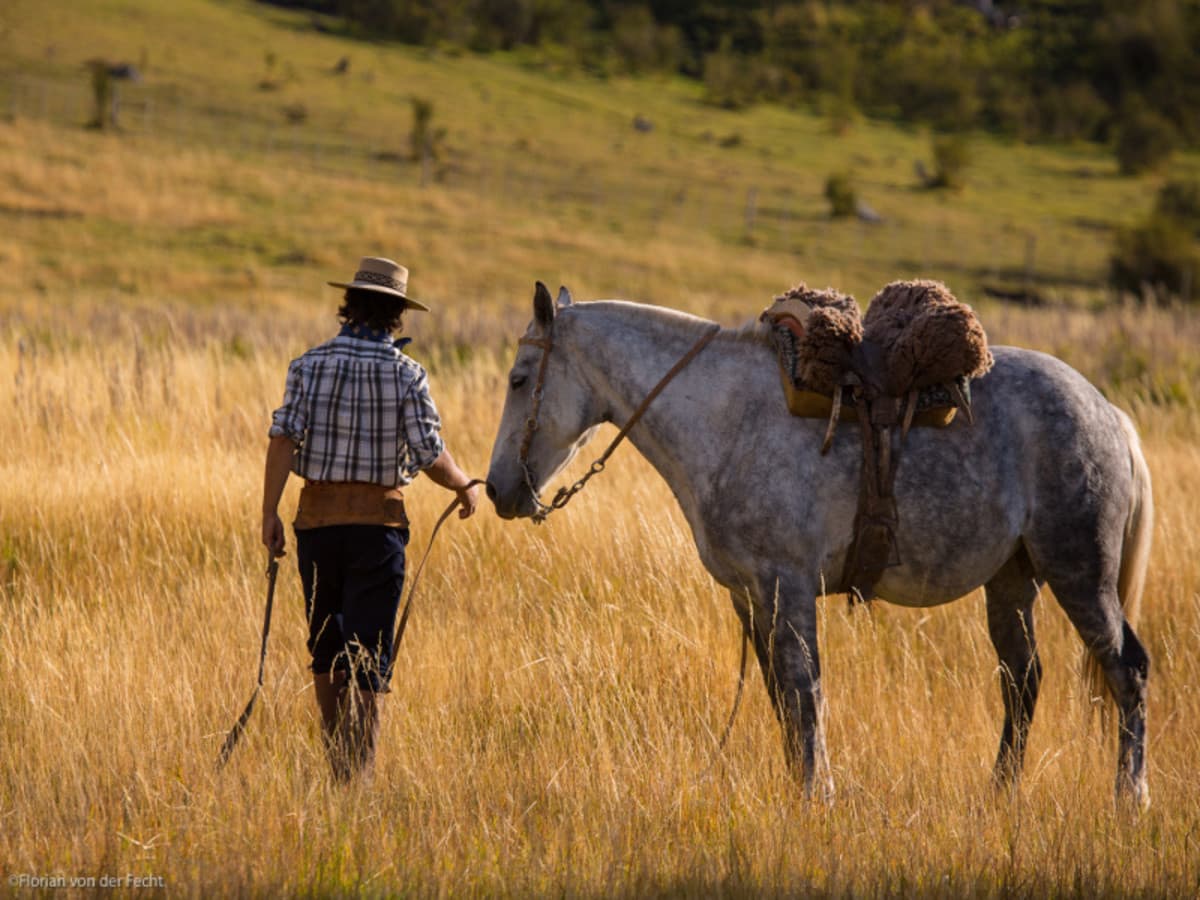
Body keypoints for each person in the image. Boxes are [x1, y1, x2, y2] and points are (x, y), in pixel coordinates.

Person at [261, 256, 479, 781]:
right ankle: (359, 774)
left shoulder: (307, 365)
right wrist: (466, 483)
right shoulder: (407, 374)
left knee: (325, 645)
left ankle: (338, 765)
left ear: (349, 305)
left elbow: (282, 438)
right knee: (370, 654)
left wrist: (268, 512)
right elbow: (429, 455)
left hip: (315, 523)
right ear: (396, 315)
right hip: (379, 530)